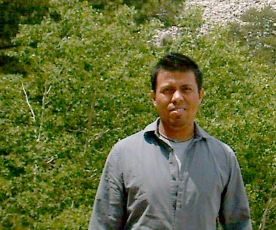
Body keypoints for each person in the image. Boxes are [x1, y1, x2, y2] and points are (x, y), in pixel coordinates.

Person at [88, 52, 252, 230]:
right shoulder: (124, 154)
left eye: (186, 89)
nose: (177, 98)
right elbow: (103, 224)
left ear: (200, 95)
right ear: (153, 98)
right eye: (168, 90)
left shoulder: (222, 157)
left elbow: (239, 224)